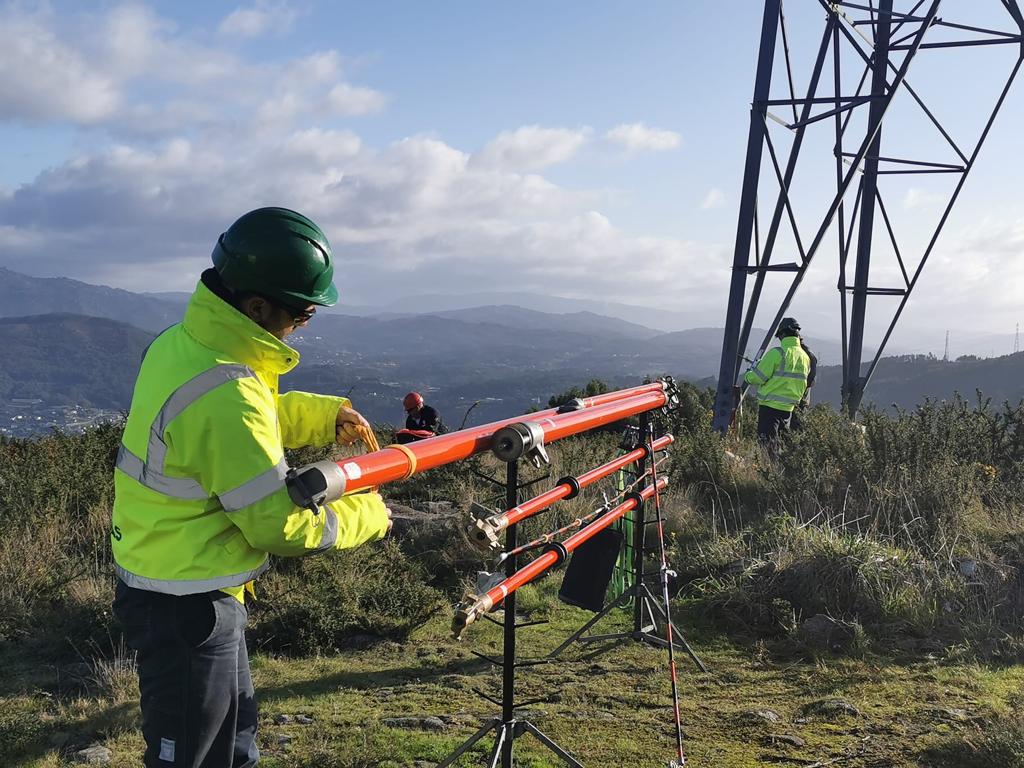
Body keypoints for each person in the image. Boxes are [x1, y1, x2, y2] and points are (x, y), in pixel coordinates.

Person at [111, 207, 392, 768]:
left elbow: (241, 423)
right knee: (193, 756)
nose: (304, 325)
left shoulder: (183, 344)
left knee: (234, 747)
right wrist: (370, 514)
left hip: (188, 582)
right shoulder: (225, 389)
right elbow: (277, 524)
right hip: (186, 602)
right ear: (257, 306)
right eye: (303, 314)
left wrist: (322, 414)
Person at [743, 316, 811, 449]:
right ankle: (778, 469)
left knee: (766, 446)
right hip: (788, 409)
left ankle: (767, 469)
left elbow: (757, 378)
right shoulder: (805, 357)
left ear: (783, 334)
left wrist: (748, 375)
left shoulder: (777, 353)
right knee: (779, 447)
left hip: (769, 408)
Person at [790, 335, 818, 432]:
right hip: (799, 399)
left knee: (796, 429)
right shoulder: (807, 354)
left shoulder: (807, 355)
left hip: (799, 400)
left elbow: (811, 381)